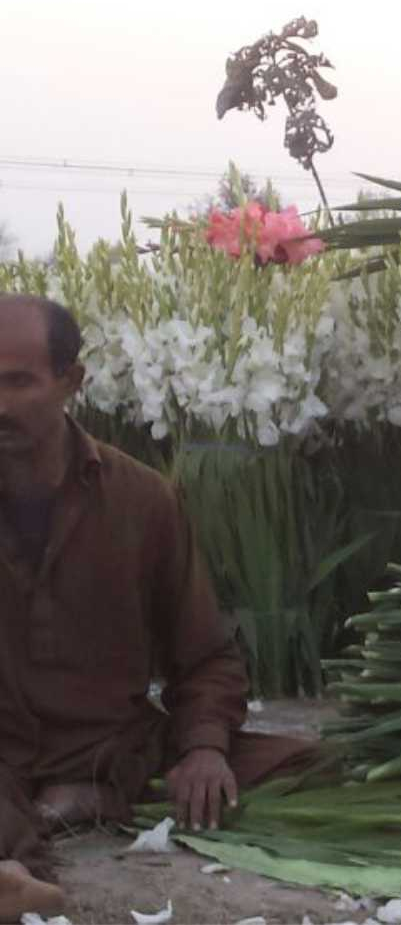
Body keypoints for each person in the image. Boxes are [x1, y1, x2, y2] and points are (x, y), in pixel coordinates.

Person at [0, 295, 319, 923]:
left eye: (18, 383)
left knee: (312, 765)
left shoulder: (143, 501)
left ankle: (78, 801)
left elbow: (205, 655)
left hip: (115, 749)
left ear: (72, 381)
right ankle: (24, 858)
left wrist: (204, 748)